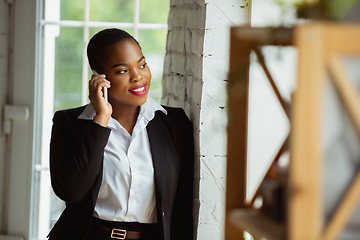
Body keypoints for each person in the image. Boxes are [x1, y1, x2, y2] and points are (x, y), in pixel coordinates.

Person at [47, 28, 194, 240]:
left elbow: (182, 207)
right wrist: (101, 120)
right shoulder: (70, 123)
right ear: (100, 79)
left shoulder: (175, 123)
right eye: (122, 71)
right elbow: (71, 192)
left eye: (142, 65)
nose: (138, 77)